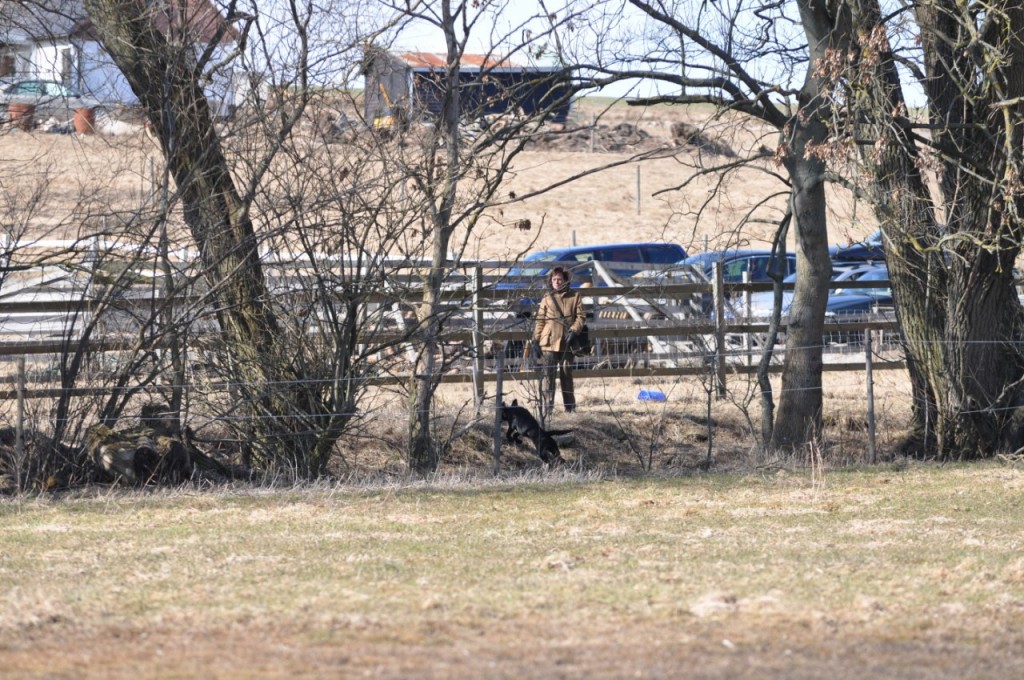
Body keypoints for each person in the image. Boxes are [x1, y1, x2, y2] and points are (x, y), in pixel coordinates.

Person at [532, 266, 586, 415]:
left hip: (568, 343)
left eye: (559, 279)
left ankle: (570, 409)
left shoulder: (575, 296)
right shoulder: (547, 298)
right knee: (548, 377)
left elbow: (581, 316)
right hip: (548, 343)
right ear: (551, 281)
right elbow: (540, 321)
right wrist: (535, 341)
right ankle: (547, 411)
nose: (556, 282)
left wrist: (574, 331)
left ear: (565, 280)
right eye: (554, 279)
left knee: (566, 375)